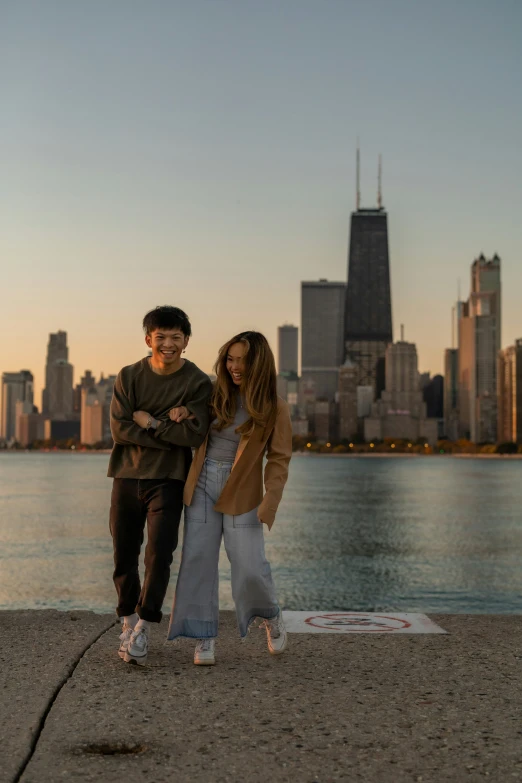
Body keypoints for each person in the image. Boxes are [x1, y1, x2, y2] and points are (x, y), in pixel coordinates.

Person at [167, 330, 292, 665]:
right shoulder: (213, 394)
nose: (235, 367)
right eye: (231, 359)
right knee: (198, 560)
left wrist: (271, 500)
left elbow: (279, 458)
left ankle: (271, 614)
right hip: (204, 481)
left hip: (244, 489)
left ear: (260, 364)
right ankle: (203, 636)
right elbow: (193, 421)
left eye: (243, 361)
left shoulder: (275, 408)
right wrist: (184, 412)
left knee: (250, 564)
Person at [108, 306, 212, 665]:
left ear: (186, 341)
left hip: (169, 480)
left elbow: (194, 435)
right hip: (126, 475)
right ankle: (128, 619)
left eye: (176, 337)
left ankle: (144, 628)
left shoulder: (198, 382)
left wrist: (151, 423)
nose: (168, 344)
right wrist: (170, 428)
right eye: (161, 336)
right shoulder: (129, 375)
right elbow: (119, 428)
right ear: (148, 338)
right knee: (124, 554)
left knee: (159, 555)